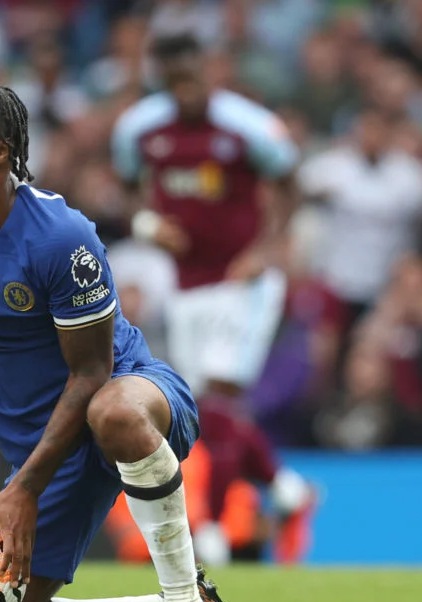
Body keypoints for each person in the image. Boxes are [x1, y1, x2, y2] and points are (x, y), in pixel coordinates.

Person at [0, 80, 264, 602]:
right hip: (45, 445)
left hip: (131, 396)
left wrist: (23, 489)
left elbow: (92, 373)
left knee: (111, 412)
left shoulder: (61, 238)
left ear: (0, 151)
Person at [111, 34, 311, 561]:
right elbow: (127, 188)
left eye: (194, 78)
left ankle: (216, 530)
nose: (188, 91)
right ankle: (285, 487)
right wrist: (147, 224)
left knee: (220, 394)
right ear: (163, 82)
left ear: (209, 71)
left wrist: (268, 249)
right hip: (186, 285)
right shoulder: (139, 128)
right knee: (206, 408)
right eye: (176, 82)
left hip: (241, 280)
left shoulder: (247, 125)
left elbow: (291, 180)